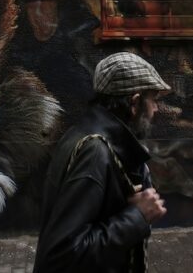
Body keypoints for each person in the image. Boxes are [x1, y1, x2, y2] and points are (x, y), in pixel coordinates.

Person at [33, 52, 170, 273]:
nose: (156, 109)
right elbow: (61, 255)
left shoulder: (87, 134)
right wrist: (137, 216)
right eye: (153, 99)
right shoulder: (94, 151)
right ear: (134, 103)